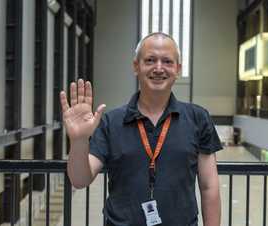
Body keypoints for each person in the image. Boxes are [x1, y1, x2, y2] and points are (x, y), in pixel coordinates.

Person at [60, 32, 222, 226]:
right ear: (136, 66)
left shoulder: (198, 118)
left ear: (178, 69)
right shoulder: (111, 122)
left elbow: (209, 186)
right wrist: (78, 141)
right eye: (150, 60)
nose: (159, 68)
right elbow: (80, 179)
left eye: (168, 62)